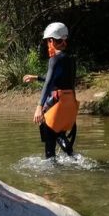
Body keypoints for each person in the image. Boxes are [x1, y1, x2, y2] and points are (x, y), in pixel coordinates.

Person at [22, 22, 78, 159]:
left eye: (48, 41)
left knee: (48, 135)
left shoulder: (54, 59)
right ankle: (74, 158)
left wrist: (39, 106)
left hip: (57, 102)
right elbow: (59, 80)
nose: (48, 45)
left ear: (52, 40)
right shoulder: (70, 59)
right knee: (58, 133)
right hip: (70, 102)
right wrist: (36, 77)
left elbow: (49, 83)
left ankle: (50, 175)